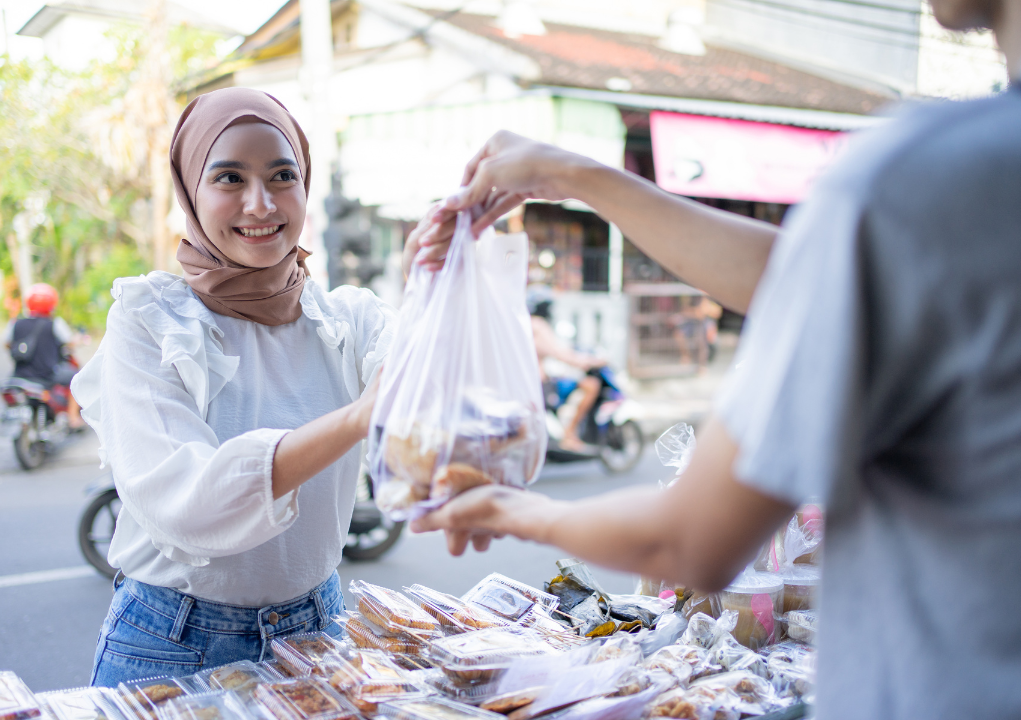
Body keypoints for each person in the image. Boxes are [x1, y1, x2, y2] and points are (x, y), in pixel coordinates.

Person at [410, 0, 1021, 715]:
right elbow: (806, 277)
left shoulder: (925, 175)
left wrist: (512, 509)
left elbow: (693, 542)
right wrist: (577, 174)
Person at [72, 88, 450, 686]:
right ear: (190, 192)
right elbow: (188, 503)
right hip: (174, 645)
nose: (260, 203)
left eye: (282, 175)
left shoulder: (346, 319)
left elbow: (425, 393)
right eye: (228, 177)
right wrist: (360, 418)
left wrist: (430, 280)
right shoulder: (151, 320)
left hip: (319, 630)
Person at [525, 285, 606, 451]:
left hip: (531, 383)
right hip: (541, 386)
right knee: (591, 385)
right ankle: (570, 434)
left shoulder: (524, 324)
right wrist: (588, 361)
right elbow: (560, 354)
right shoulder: (538, 325)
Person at [5, 282, 84, 429]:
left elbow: (8, 344)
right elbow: (69, 343)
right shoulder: (54, 324)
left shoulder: (15, 323)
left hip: (20, 375)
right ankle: (73, 417)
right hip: (47, 374)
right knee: (76, 378)